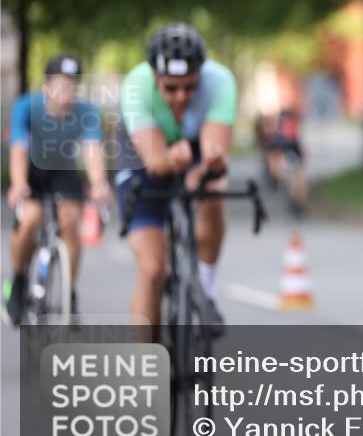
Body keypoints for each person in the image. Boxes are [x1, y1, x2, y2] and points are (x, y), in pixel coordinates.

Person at [115, 23, 236, 336]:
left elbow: (213, 150)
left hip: (191, 146)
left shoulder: (220, 81)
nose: (181, 96)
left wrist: (210, 166)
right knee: (153, 268)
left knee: (213, 194)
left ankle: (206, 294)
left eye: (189, 86)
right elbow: (156, 164)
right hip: (144, 154)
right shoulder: (135, 86)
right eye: (170, 88)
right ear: (154, 78)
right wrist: (170, 161)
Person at [6, 55, 111, 325]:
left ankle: (69, 293)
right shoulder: (26, 107)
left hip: (63, 170)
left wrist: (98, 183)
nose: (67, 93)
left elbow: (91, 149)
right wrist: (19, 183)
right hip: (33, 170)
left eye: (73, 86)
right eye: (61, 85)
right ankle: (18, 282)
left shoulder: (86, 111)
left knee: (70, 222)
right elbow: (18, 148)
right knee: (28, 221)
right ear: (46, 86)